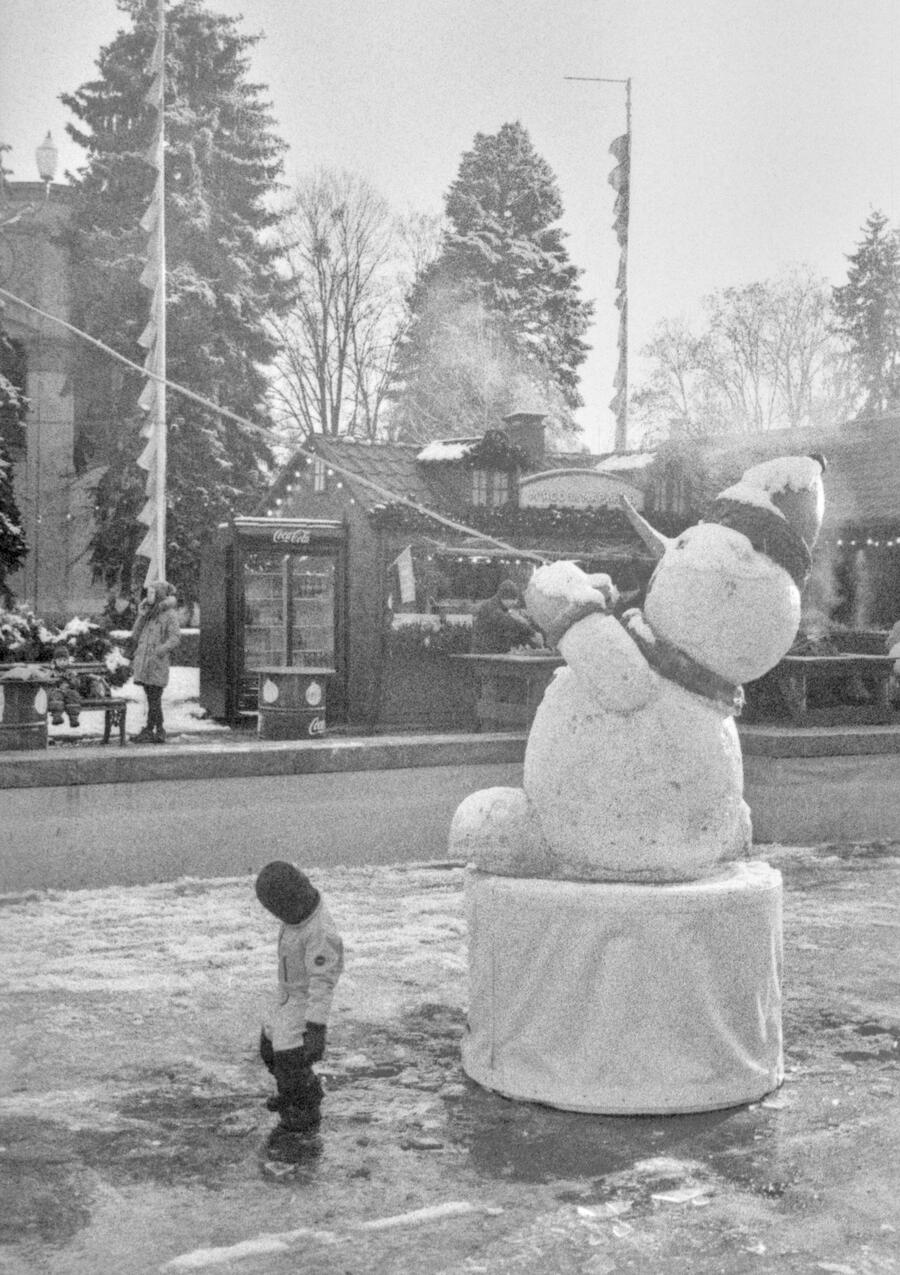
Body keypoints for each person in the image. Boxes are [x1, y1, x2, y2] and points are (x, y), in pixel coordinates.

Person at [256, 861, 344, 1134]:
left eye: (282, 910)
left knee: (289, 1055)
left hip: (305, 1001)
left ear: (298, 897)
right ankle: (293, 1089)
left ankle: (305, 1106)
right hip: (287, 994)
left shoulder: (320, 932)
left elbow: (322, 982)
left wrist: (316, 1027)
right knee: (268, 1046)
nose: (280, 917)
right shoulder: (296, 917)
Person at [128, 580, 180, 743]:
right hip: (144, 661)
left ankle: (157, 730)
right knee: (151, 697)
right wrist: (141, 615)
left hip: (157, 663)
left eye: (152, 592)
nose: (149, 595)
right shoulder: (149, 612)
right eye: (148, 592)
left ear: (159, 594)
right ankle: (153, 730)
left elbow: (175, 638)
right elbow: (136, 634)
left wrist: (159, 651)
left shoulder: (169, 614)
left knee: (154, 697)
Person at [471, 579, 542, 654]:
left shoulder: (500, 607)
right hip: (483, 653)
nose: (515, 603)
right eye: (513, 599)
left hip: (492, 651)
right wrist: (532, 633)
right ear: (504, 597)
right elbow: (508, 622)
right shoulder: (491, 607)